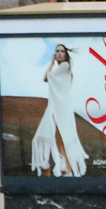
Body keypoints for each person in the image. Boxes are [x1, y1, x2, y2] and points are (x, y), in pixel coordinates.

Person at [29, 42, 80, 176]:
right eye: (57, 51)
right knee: (58, 141)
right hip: (58, 107)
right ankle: (62, 171)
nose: (59, 53)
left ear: (66, 54)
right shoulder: (62, 69)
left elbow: (47, 77)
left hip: (60, 108)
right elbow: (48, 79)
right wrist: (52, 64)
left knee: (60, 141)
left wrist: (52, 64)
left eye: (62, 51)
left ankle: (65, 171)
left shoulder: (65, 66)